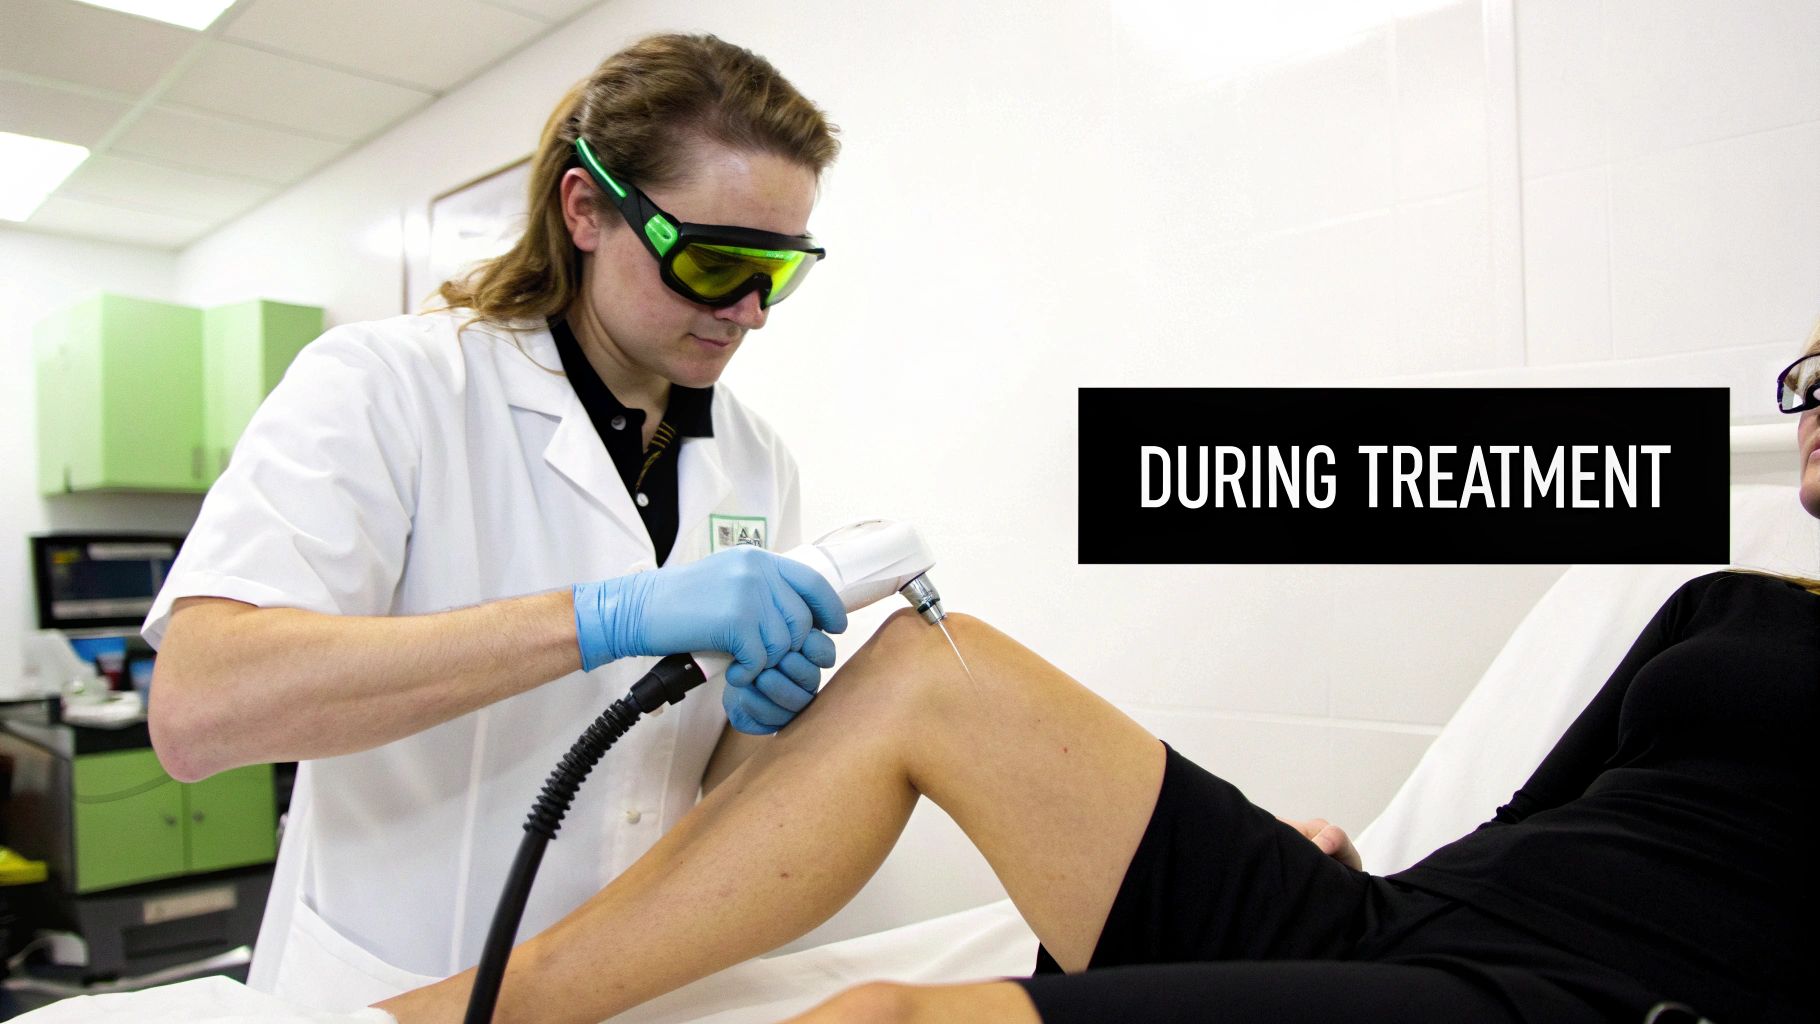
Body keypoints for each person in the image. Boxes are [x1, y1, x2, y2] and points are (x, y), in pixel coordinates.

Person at [374, 331, 1820, 1024]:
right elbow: (1523, 819)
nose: (1810, 410)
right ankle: (487, 1007)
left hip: (1592, 1002)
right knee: (930, 668)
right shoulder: (1719, 600)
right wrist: (1342, 874)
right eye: (1808, 378)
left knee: (882, 1022)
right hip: (1397, 918)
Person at [142, 34, 849, 1008]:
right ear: (587, 208)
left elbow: (691, 781)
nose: (748, 311)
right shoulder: (388, 385)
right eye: (714, 260)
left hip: (621, 987)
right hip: (395, 982)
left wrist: (760, 723)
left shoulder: (755, 458)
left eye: (778, 269)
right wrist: (602, 617)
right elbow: (200, 708)